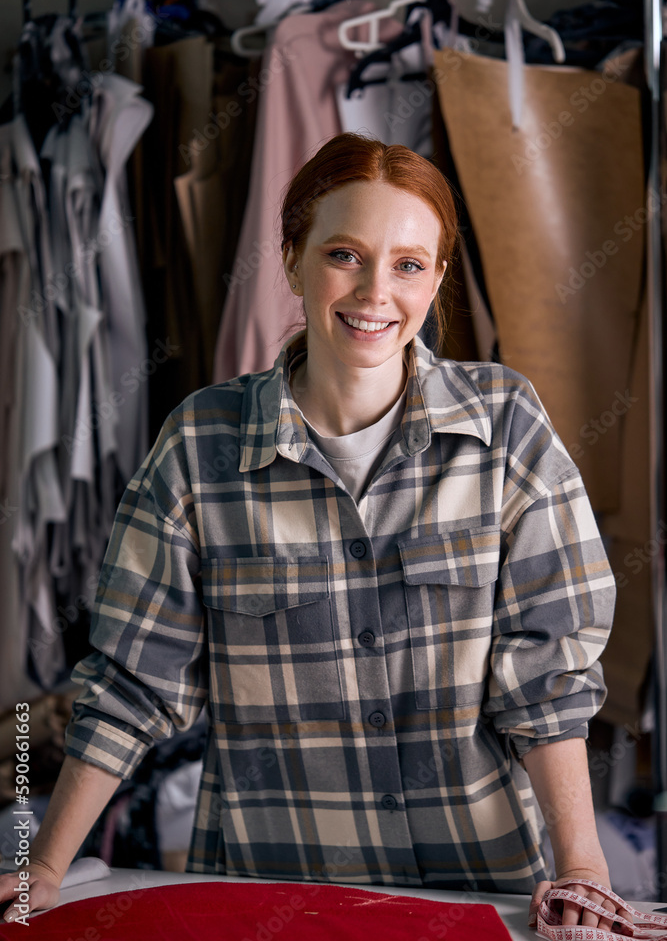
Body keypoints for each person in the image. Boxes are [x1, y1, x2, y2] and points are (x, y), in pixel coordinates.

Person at [1, 133, 628, 932]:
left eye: (407, 264)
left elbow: (547, 676)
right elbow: (131, 681)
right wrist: (43, 867)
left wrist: (581, 868)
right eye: (344, 254)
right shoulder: (201, 445)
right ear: (293, 259)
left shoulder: (505, 425)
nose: (374, 291)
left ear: (436, 280)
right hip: (273, 899)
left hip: (481, 888)